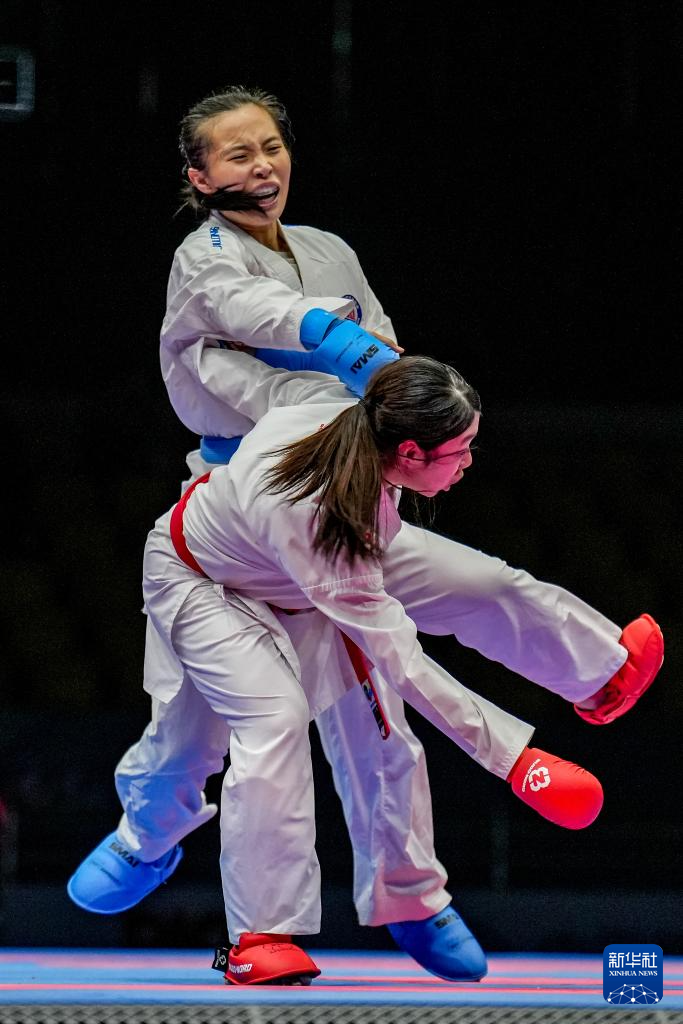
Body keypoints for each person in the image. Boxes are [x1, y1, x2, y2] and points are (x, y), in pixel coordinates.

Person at [67, 87, 663, 984]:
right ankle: (148, 839)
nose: (261, 165)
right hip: (237, 532)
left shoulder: (330, 254)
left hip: (342, 478)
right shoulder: (202, 265)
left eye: (271, 146)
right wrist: (520, 762)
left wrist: (381, 377)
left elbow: (379, 348)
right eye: (237, 153)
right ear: (199, 175)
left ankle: (580, 695)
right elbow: (255, 326)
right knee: (212, 733)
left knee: (425, 664)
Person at [75, 353, 657, 986]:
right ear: (409, 452)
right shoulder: (320, 523)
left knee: (484, 584)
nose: (469, 461)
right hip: (209, 584)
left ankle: (602, 675)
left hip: (303, 559)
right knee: (262, 724)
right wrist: (518, 762)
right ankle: (247, 924)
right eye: (460, 450)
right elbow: (405, 663)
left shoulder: (357, 417)